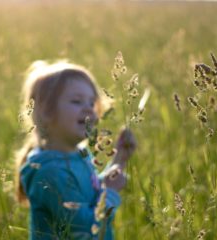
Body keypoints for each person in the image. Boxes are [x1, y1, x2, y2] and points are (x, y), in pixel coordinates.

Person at [15, 60, 137, 240]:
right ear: (46, 112)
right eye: (76, 101)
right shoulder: (48, 172)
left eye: (91, 102)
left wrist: (119, 159)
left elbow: (89, 194)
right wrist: (110, 193)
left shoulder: (78, 155)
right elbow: (85, 227)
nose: (89, 108)